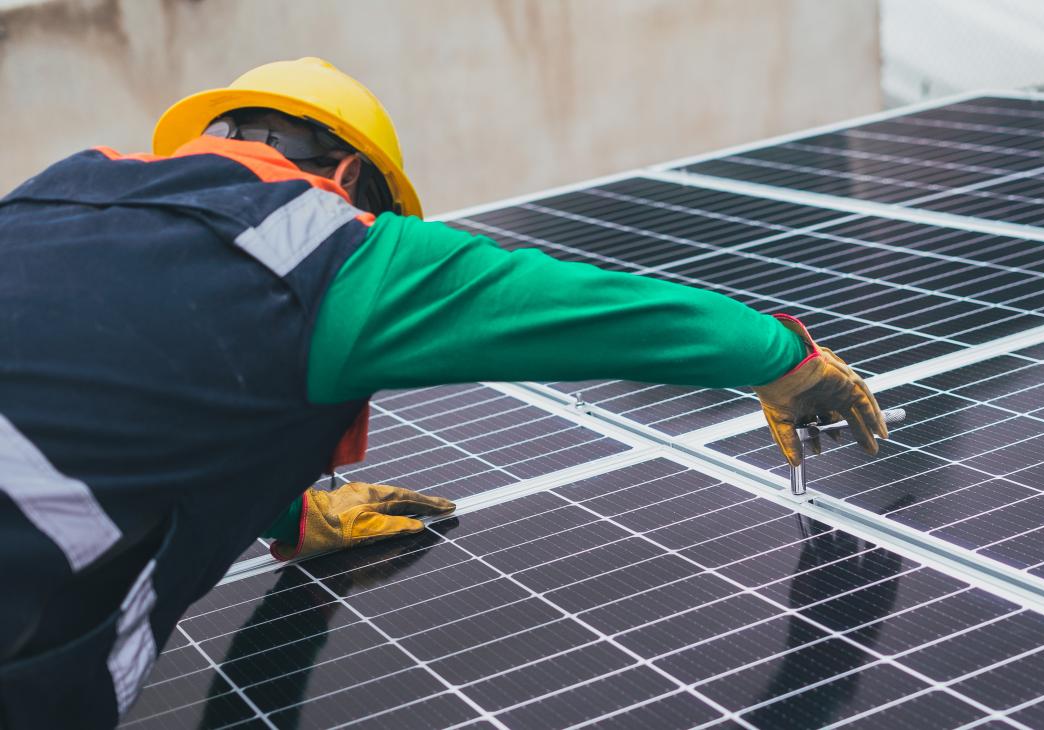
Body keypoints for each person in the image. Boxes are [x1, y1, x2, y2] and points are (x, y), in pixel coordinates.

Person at [0, 57, 887, 727]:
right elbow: (597, 309)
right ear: (353, 181)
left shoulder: (49, 196)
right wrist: (786, 360)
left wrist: (291, 517)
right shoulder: (329, 245)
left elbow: (124, 381)